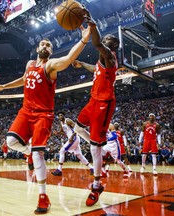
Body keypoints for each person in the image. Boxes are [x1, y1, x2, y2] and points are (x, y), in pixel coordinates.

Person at [0, 24, 91, 214]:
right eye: (43, 44)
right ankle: (27, 151)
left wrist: (84, 38)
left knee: (38, 154)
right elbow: (23, 79)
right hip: (26, 111)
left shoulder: (50, 66)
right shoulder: (30, 64)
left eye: (49, 45)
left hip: (43, 115)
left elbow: (69, 58)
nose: (45, 46)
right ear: (37, 49)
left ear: (50, 51)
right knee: (10, 141)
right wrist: (4, 86)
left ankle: (43, 197)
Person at [72, 11, 119, 207]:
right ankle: (97, 142)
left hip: (104, 103)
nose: (104, 38)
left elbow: (97, 43)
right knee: (76, 127)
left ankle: (97, 184)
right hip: (93, 101)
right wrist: (82, 63)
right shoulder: (101, 62)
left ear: (113, 45)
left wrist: (93, 25)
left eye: (108, 38)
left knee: (93, 147)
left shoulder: (110, 56)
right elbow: (95, 69)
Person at [51, 111, 94, 176]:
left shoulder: (68, 120)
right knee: (79, 156)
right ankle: (92, 168)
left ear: (64, 116)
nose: (60, 117)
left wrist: (72, 136)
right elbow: (63, 132)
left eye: (61, 115)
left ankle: (59, 170)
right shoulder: (61, 123)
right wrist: (58, 133)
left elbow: (77, 128)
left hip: (74, 138)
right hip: (72, 139)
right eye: (59, 116)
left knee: (62, 151)